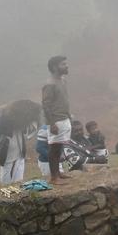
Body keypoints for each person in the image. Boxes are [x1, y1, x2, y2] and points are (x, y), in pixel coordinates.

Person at [42, 55, 73, 185]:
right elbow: (46, 105)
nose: (67, 66)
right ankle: (54, 178)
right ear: (55, 67)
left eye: (66, 64)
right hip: (56, 121)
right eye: (63, 64)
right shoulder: (50, 84)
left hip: (64, 118)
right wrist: (52, 123)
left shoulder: (62, 80)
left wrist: (68, 115)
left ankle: (59, 173)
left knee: (59, 147)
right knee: (53, 149)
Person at [0, 114, 28, 185]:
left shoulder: (20, 120)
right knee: (5, 176)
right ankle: (5, 189)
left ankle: (18, 189)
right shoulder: (0, 120)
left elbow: (25, 130)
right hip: (7, 153)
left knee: (19, 178)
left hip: (20, 151)